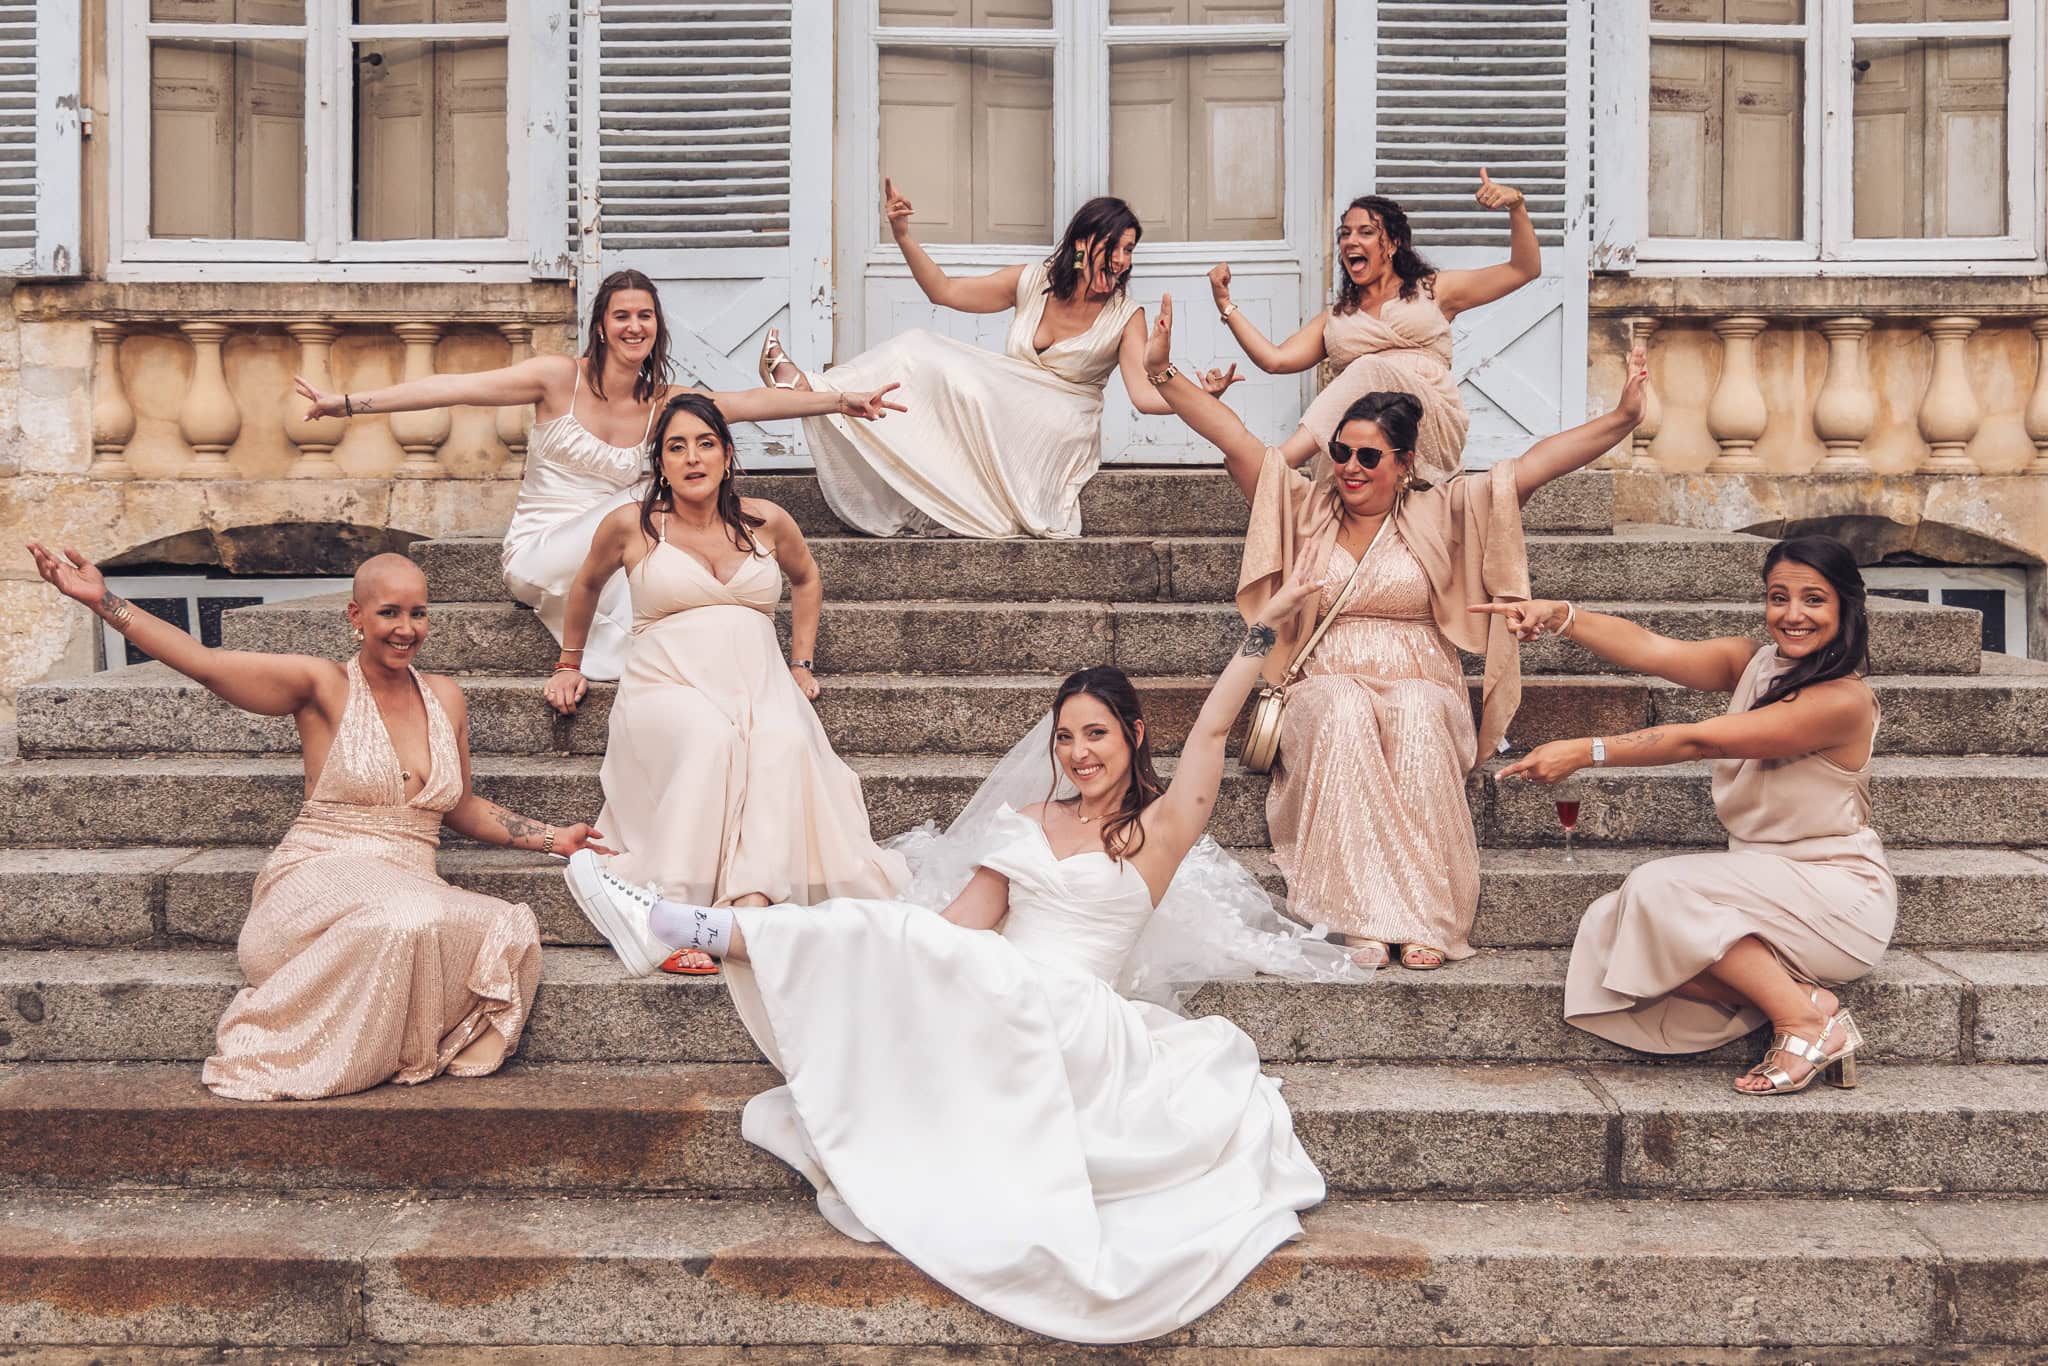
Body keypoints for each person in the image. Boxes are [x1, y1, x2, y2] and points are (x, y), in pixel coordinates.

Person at [560, 567, 1341, 1346]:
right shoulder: (1030, 817)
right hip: (1000, 990)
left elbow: (1211, 732)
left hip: (1075, 1020)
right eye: (1065, 736)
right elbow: (964, 923)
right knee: (892, 933)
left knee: (901, 941)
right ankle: (699, 929)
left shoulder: (1160, 829)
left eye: (1096, 733)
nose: (1078, 753)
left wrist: (1265, 626)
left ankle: (685, 925)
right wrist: (894, 965)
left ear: (1134, 735)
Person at [1144, 295, 1647, 968]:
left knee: (1414, 711)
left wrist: (1621, 418)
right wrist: (1163, 373)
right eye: (1341, 451)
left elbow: (1535, 465)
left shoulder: (1447, 510)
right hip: (1325, 683)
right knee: (1345, 709)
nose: (1350, 466)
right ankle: (1362, 915)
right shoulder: (1304, 507)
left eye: (1367, 456)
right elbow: (1234, 439)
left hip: (1423, 680)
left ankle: (1424, 917)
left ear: (1405, 462)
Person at [25, 544, 608, 1101]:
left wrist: (555, 838)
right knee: (407, 918)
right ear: (356, 616)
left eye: (418, 613)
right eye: (389, 612)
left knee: (503, 922)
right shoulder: (323, 685)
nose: (406, 628)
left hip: (405, 884)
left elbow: (459, 806)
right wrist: (104, 602)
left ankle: (390, 1033)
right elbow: (205, 664)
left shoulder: (445, 697)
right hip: (315, 884)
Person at [293, 270, 905, 680]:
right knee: (649, 495)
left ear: (656, 326)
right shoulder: (556, 378)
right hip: (540, 551)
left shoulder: (665, 400)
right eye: (622, 316)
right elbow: (452, 387)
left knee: (666, 498)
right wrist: (345, 404)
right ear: (601, 326)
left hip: (610, 555)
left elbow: (749, 402)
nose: (635, 327)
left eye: (645, 316)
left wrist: (841, 400)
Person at [1482, 535, 1892, 1095]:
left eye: (1814, 600)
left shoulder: (1843, 700)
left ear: (1846, 606)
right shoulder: (1755, 662)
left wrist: (1586, 750)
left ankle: (1801, 1024)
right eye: (1779, 597)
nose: (1792, 615)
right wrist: (1560, 616)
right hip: (1762, 884)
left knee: (1659, 887)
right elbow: (1652, 650)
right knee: (1608, 925)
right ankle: (1803, 1000)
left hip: (1835, 896)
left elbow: (1699, 740)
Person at [549, 393, 907, 975]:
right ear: (660, 462)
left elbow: (807, 579)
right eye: (676, 447)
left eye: (706, 444)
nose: (693, 458)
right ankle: (674, 911)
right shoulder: (631, 525)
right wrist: (569, 663)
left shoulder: (767, 521)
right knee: (710, 740)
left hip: (759, 684)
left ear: (727, 454)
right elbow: (585, 584)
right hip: (666, 685)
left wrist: (801, 663)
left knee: (782, 743)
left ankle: (749, 904)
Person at [760, 187, 1241, 539]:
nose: (1121, 260)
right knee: (916, 347)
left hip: (1062, 419)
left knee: (968, 386)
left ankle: (813, 391)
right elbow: (943, 291)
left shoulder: (1126, 315)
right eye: (1112, 246)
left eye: (1129, 250)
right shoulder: (1032, 282)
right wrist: (902, 234)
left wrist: (1198, 395)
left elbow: (1144, 395)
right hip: (1009, 394)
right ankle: (814, 390)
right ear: (1081, 245)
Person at [1208, 173, 1540, 484]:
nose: (1351, 240)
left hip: (1428, 419)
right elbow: (1275, 360)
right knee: (1358, 397)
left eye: (1365, 232)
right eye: (1345, 233)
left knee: (1368, 368)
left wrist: (1516, 205)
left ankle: (1275, 466)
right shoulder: (1337, 316)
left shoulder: (1434, 289)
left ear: (1392, 243)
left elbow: (1524, 269)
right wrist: (1226, 304)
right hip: (1359, 432)